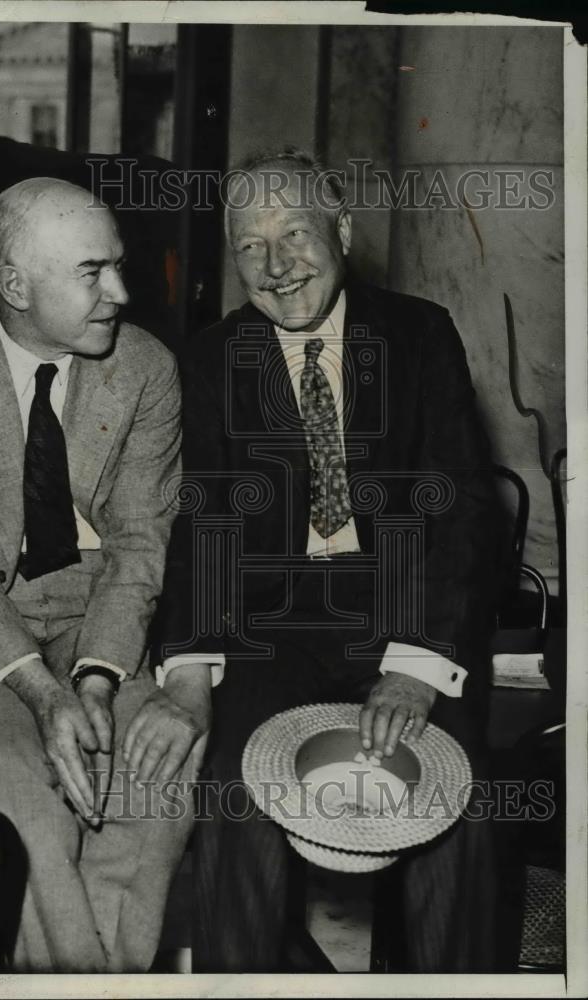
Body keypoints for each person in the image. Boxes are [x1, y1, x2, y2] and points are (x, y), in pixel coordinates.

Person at [157, 148, 501, 972]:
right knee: (235, 804)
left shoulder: (419, 336)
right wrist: (189, 676)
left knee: (463, 816)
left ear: (343, 230)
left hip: (400, 613)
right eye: (249, 245)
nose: (276, 267)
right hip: (269, 631)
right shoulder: (208, 359)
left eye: (296, 234)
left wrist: (417, 667)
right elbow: (201, 526)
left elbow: (460, 507)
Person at [0, 177, 212, 972]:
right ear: (14, 285)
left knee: (156, 779)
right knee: (22, 791)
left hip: (99, 619)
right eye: (93, 273)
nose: (120, 293)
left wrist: (93, 682)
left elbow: (140, 543)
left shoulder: (147, 369)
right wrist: (43, 694)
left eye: (118, 266)